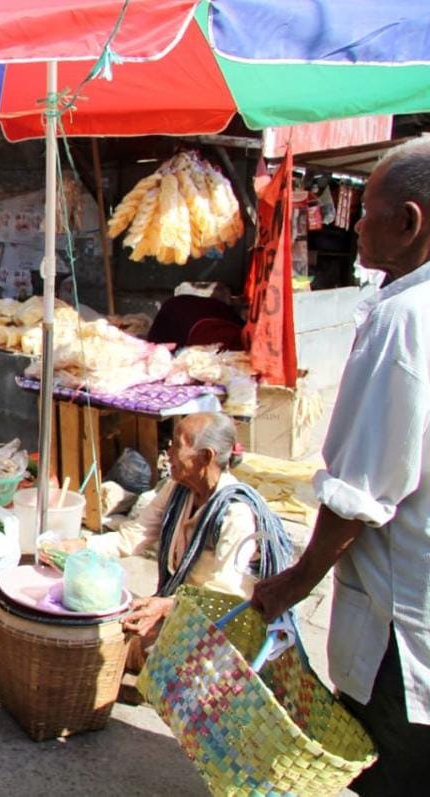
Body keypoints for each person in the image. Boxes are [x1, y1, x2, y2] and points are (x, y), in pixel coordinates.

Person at [252, 139, 430, 794]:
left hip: (401, 629)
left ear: (410, 222)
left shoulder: (405, 318)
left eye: (367, 210)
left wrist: (293, 581)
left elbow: (358, 495)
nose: (352, 222)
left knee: (386, 769)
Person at [50, 413, 291, 681]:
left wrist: (165, 607)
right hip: (181, 605)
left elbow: (224, 595)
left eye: (177, 445)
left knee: (121, 646)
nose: (168, 451)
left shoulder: (237, 514)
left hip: (220, 623)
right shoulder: (178, 488)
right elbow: (135, 535)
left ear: (206, 457)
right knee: (97, 624)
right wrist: (81, 545)